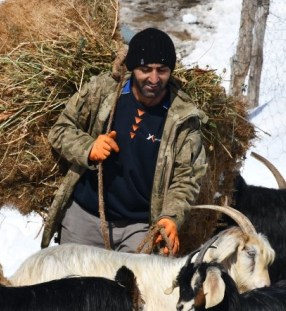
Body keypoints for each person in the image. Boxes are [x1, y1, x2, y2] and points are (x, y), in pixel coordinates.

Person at [41, 27, 207, 255]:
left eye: (163, 70)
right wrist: (88, 148)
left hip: (138, 229)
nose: (154, 79)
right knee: (72, 287)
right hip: (84, 219)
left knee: (131, 291)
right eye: (145, 69)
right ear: (132, 67)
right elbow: (60, 130)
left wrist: (171, 217)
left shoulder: (183, 118)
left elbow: (186, 178)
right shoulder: (102, 92)